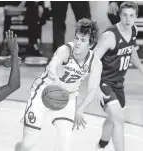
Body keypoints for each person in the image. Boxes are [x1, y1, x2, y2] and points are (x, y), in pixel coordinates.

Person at [15, 18, 103, 151]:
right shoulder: (65, 50)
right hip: (43, 92)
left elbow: (93, 89)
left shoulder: (95, 63)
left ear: (91, 45)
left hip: (68, 98)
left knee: (65, 141)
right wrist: (56, 80)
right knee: (29, 142)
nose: (78, 43)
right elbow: (52, 66)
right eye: (76, 38)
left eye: (83, 40)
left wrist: (80, 108)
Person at [93, 2, 143, 151]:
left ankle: (100, 146)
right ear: (119, 16)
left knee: (113, 119)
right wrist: (95, 87)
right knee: (119, 119)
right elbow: (93, 59)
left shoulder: (133, 30)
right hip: (104, 83)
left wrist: (140, 67)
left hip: (119, 84)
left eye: (131, 16)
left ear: (136, 17)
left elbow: (130, 49)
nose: (128, 19)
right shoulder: (110, 36)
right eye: (125, 15)